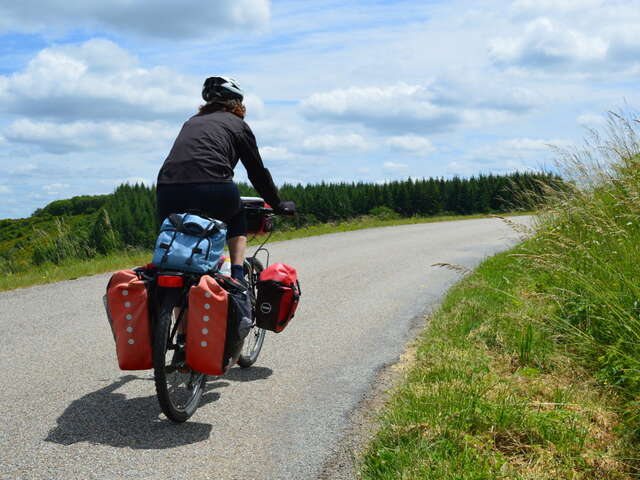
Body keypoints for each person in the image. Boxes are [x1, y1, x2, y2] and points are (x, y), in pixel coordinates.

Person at [156, 76, 295, 282]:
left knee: (177, 258)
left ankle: (174, 305)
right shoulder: (237, 125)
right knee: (237, 217)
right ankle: (237, 277)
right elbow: (256, 172)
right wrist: (277, 203)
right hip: (213, 185)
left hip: (167, 189)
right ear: (237, 104)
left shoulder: (191, 122)